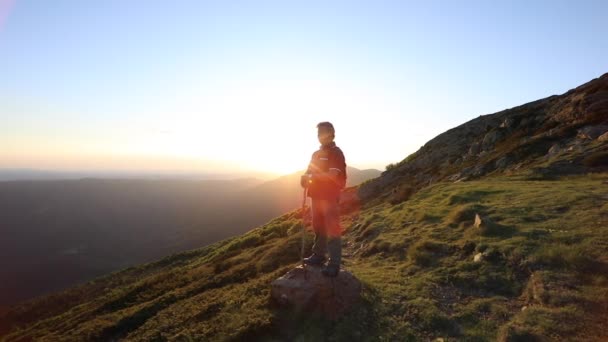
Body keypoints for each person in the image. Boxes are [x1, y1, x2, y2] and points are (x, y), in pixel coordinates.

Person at [300, 121, 347, 277]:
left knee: (332, 228)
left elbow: (332, 175)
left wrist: (312, 176)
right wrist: (305, 179)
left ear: (332, 133)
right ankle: (318, 255)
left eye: (324, 132)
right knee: (318, 227)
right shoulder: (315, 154)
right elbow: (309, 171)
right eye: (319, 133)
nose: (321, 136)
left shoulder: (336, 153)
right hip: (316, 195)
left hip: (329, 195)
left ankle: (334, 264)